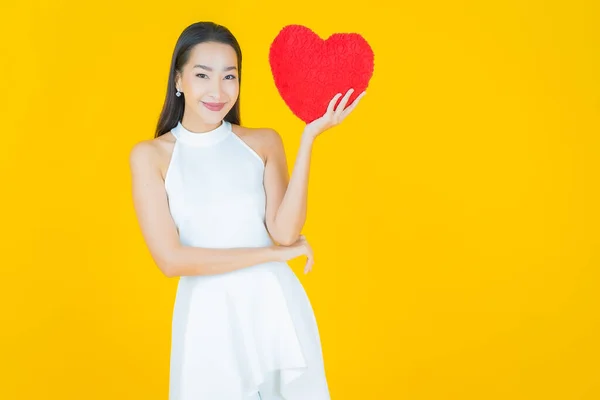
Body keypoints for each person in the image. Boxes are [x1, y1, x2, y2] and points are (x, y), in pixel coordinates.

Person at [129, 21, 365, 400]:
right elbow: (171, 260)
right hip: (208, 318)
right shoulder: (152, 156)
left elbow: (285, 232)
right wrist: (272, 255)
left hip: (274, 308)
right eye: (203, 75)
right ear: (179, 79)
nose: (218, 91)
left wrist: (309, 137)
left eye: (230, 76)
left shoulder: (263, 142)